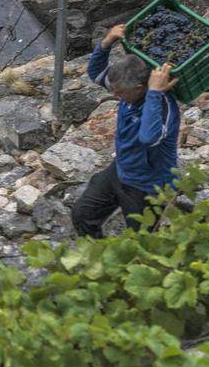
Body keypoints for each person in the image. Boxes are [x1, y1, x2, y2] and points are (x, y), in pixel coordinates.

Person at [71, 24, 181, 237]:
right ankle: (100, 261)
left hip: (149, 186)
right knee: (82, 215)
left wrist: (155, 94)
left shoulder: (164, 106)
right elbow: (96, 73)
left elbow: (148, 138)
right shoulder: (129, 92)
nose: (115, 97)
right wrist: (106, 43)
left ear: (139, 88)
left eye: (120, 94)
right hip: (121, 170)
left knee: (143, 241)